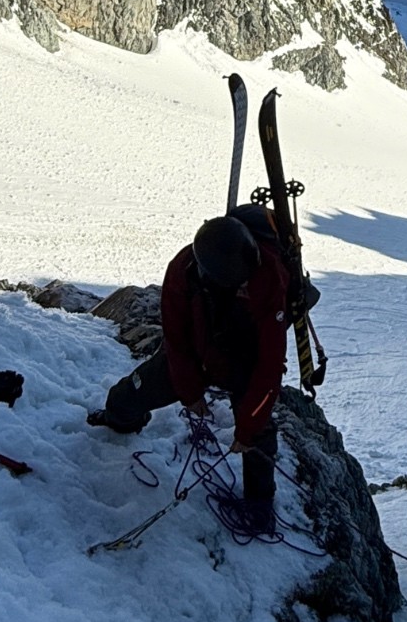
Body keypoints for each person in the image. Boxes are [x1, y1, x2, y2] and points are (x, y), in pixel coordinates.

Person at [89, 204, 290, 535]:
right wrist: (190, 391)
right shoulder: (183, 270)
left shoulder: (268, 275)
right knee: (124, 398)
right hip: (197, 351)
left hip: (246, 360)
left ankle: (260, 505)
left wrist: (247, 429)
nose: (246, 285)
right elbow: (176, 340)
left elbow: (269, 363)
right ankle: (118, 421)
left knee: (259, 435)